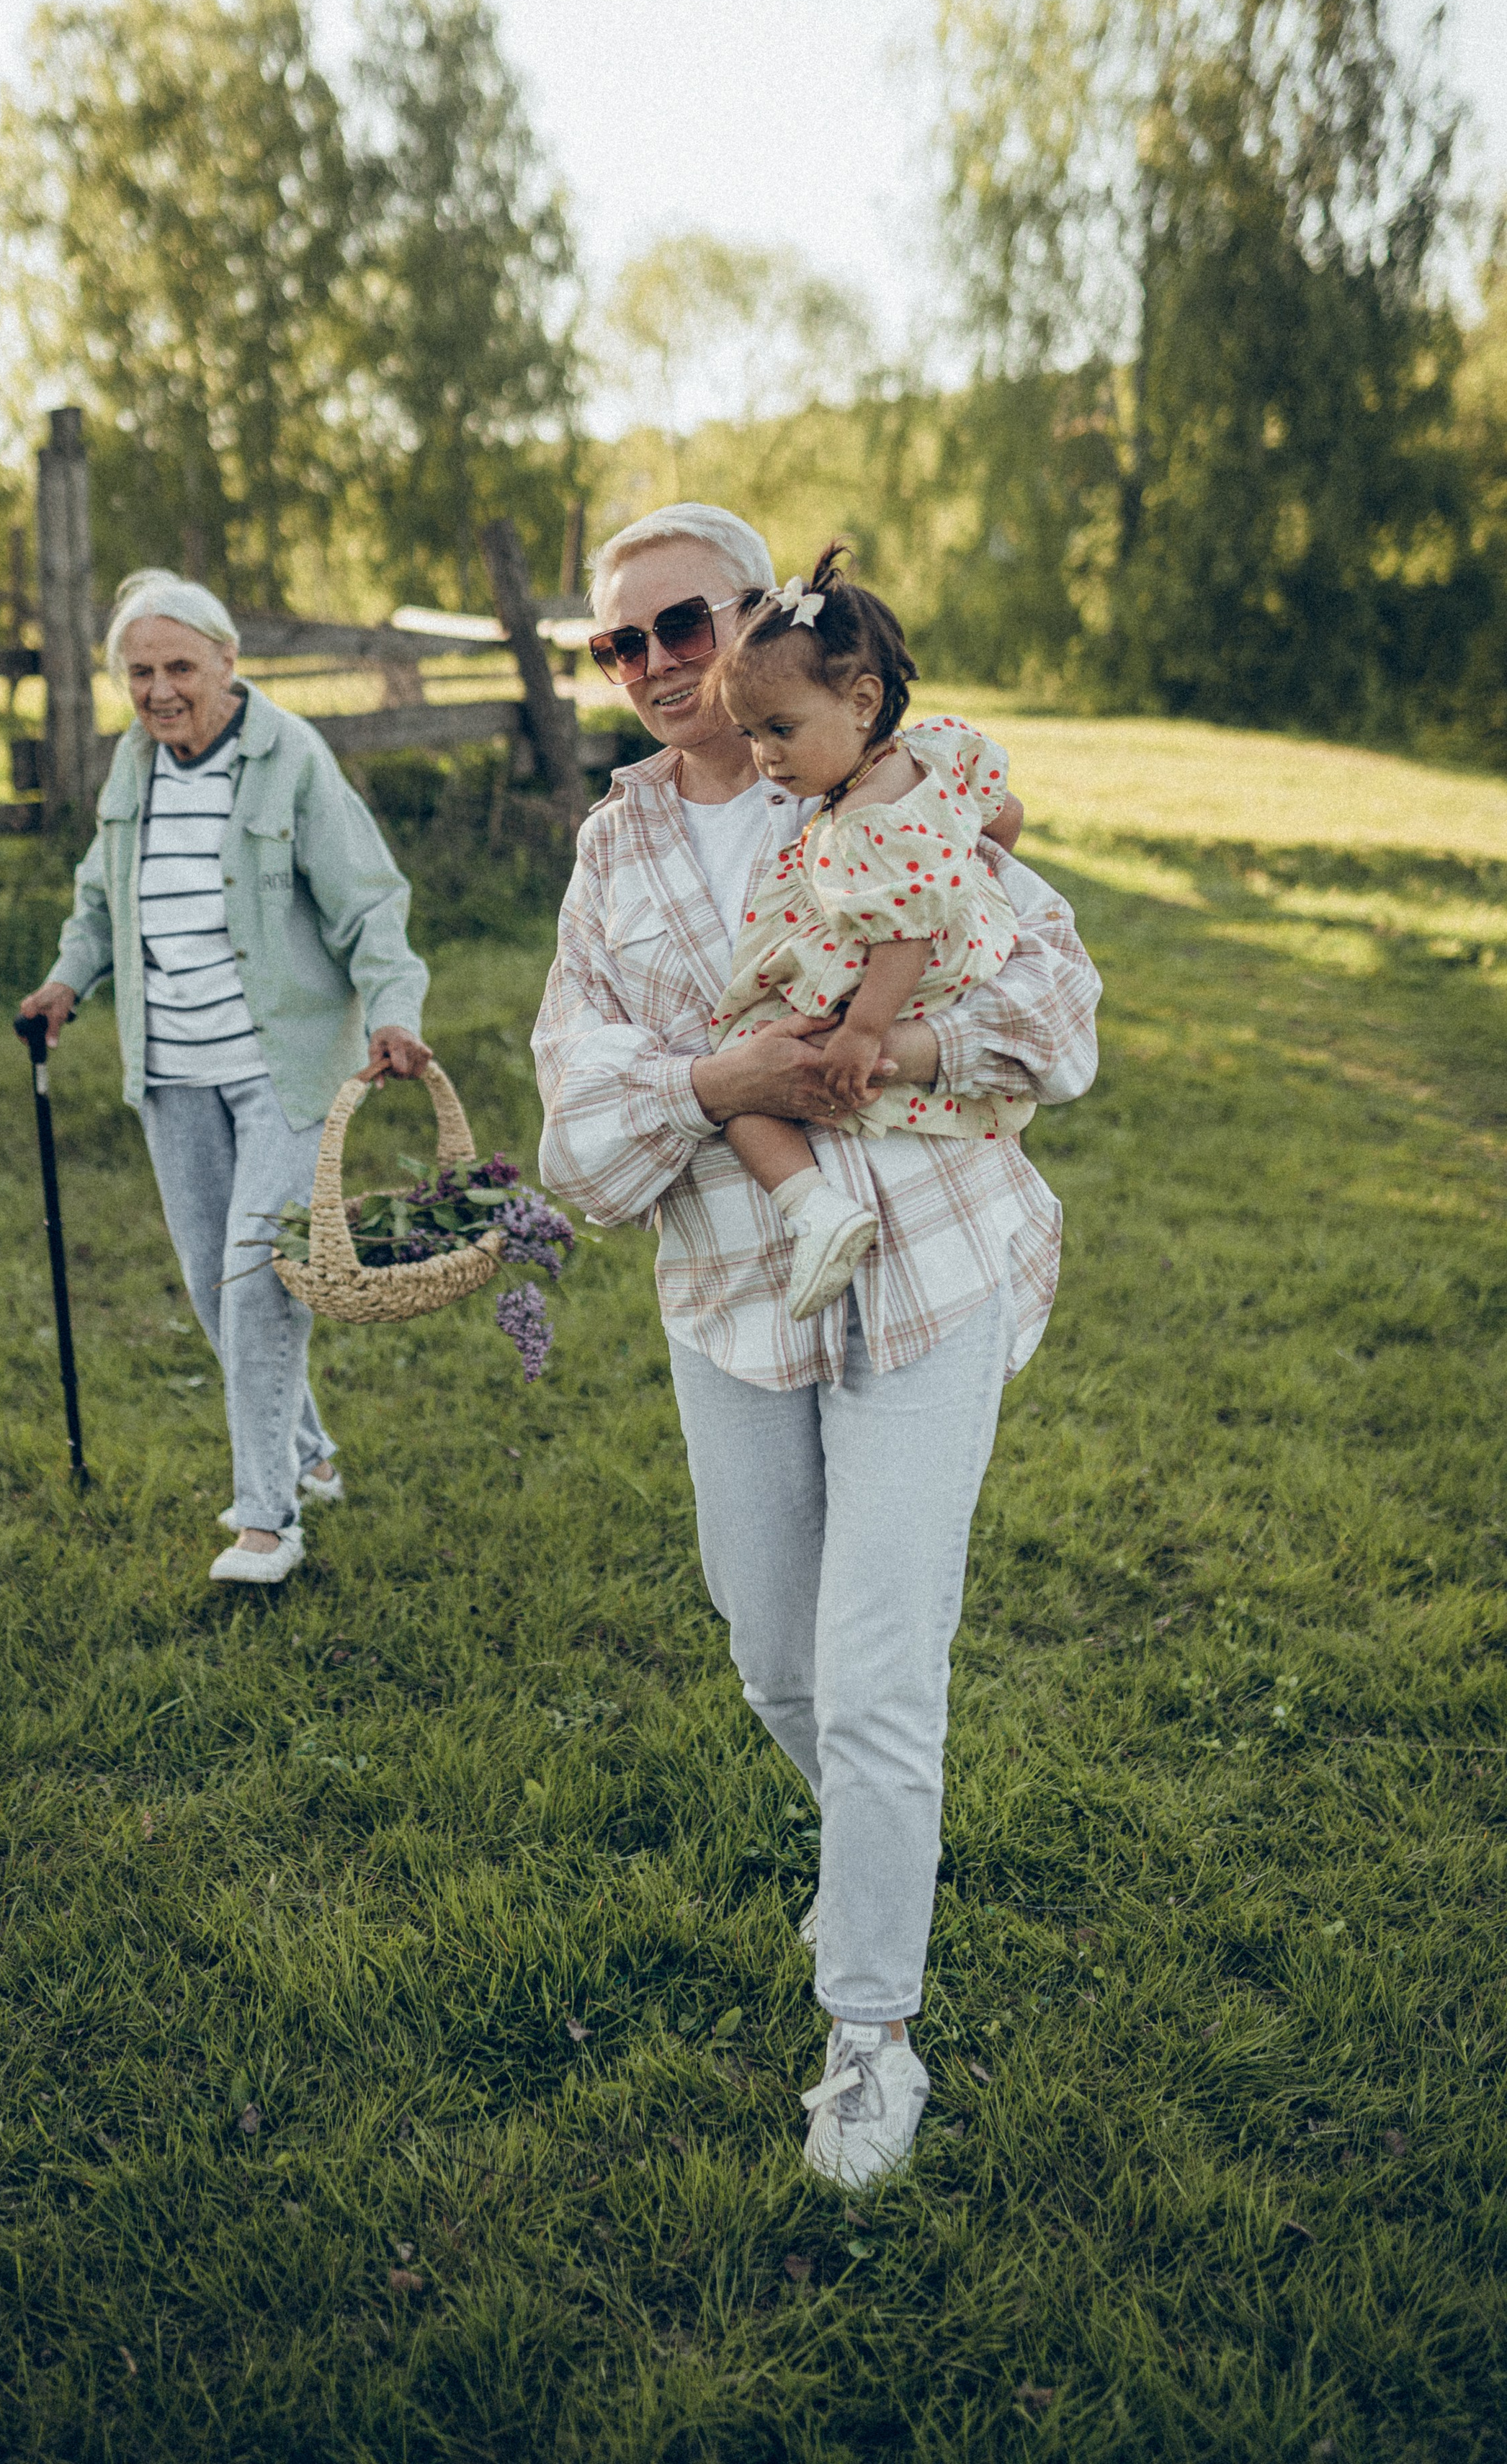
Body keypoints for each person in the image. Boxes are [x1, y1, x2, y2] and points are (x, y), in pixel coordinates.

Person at [532, 504, 1099, 2189]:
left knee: (870, 1670)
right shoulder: (609, 858)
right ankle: (875, 1831)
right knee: (774, 1654)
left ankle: (868, 2031)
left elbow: (1055, 1017)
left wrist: (884, 1041)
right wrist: (721, 1087)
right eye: (613, 645)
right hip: (730, 1286)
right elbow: (579, 1142)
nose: (649, 668)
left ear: (767, 620)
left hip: (928, 1270)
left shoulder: (914, 790)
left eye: (677, 626)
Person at [16, 570, 431, 1587]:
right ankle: (311, 1452)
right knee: (216, 1284)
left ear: (228, 664)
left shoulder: (290, 757)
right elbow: (96, 896)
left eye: (180, 668)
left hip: (280, 1067)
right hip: (171, 1070)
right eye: (140, 672)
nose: (160, 691)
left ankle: (266, 1520)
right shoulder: (135, 767)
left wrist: (393, 1011)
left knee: (256, 1279)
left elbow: (369, 902)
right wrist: (68, 980)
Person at [703, 543, 1032, 1319]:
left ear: (861, 700)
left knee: (740, 1074)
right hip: (943, 949)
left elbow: (905, 934)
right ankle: (826, 1206)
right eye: (752, 735)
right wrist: (966, 870)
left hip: (885, 984)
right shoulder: (933, 753)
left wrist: (861, 1030)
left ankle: (815, 1209)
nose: (766, 756)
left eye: (780, 728)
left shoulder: (865, 820)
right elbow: (1004, 814)